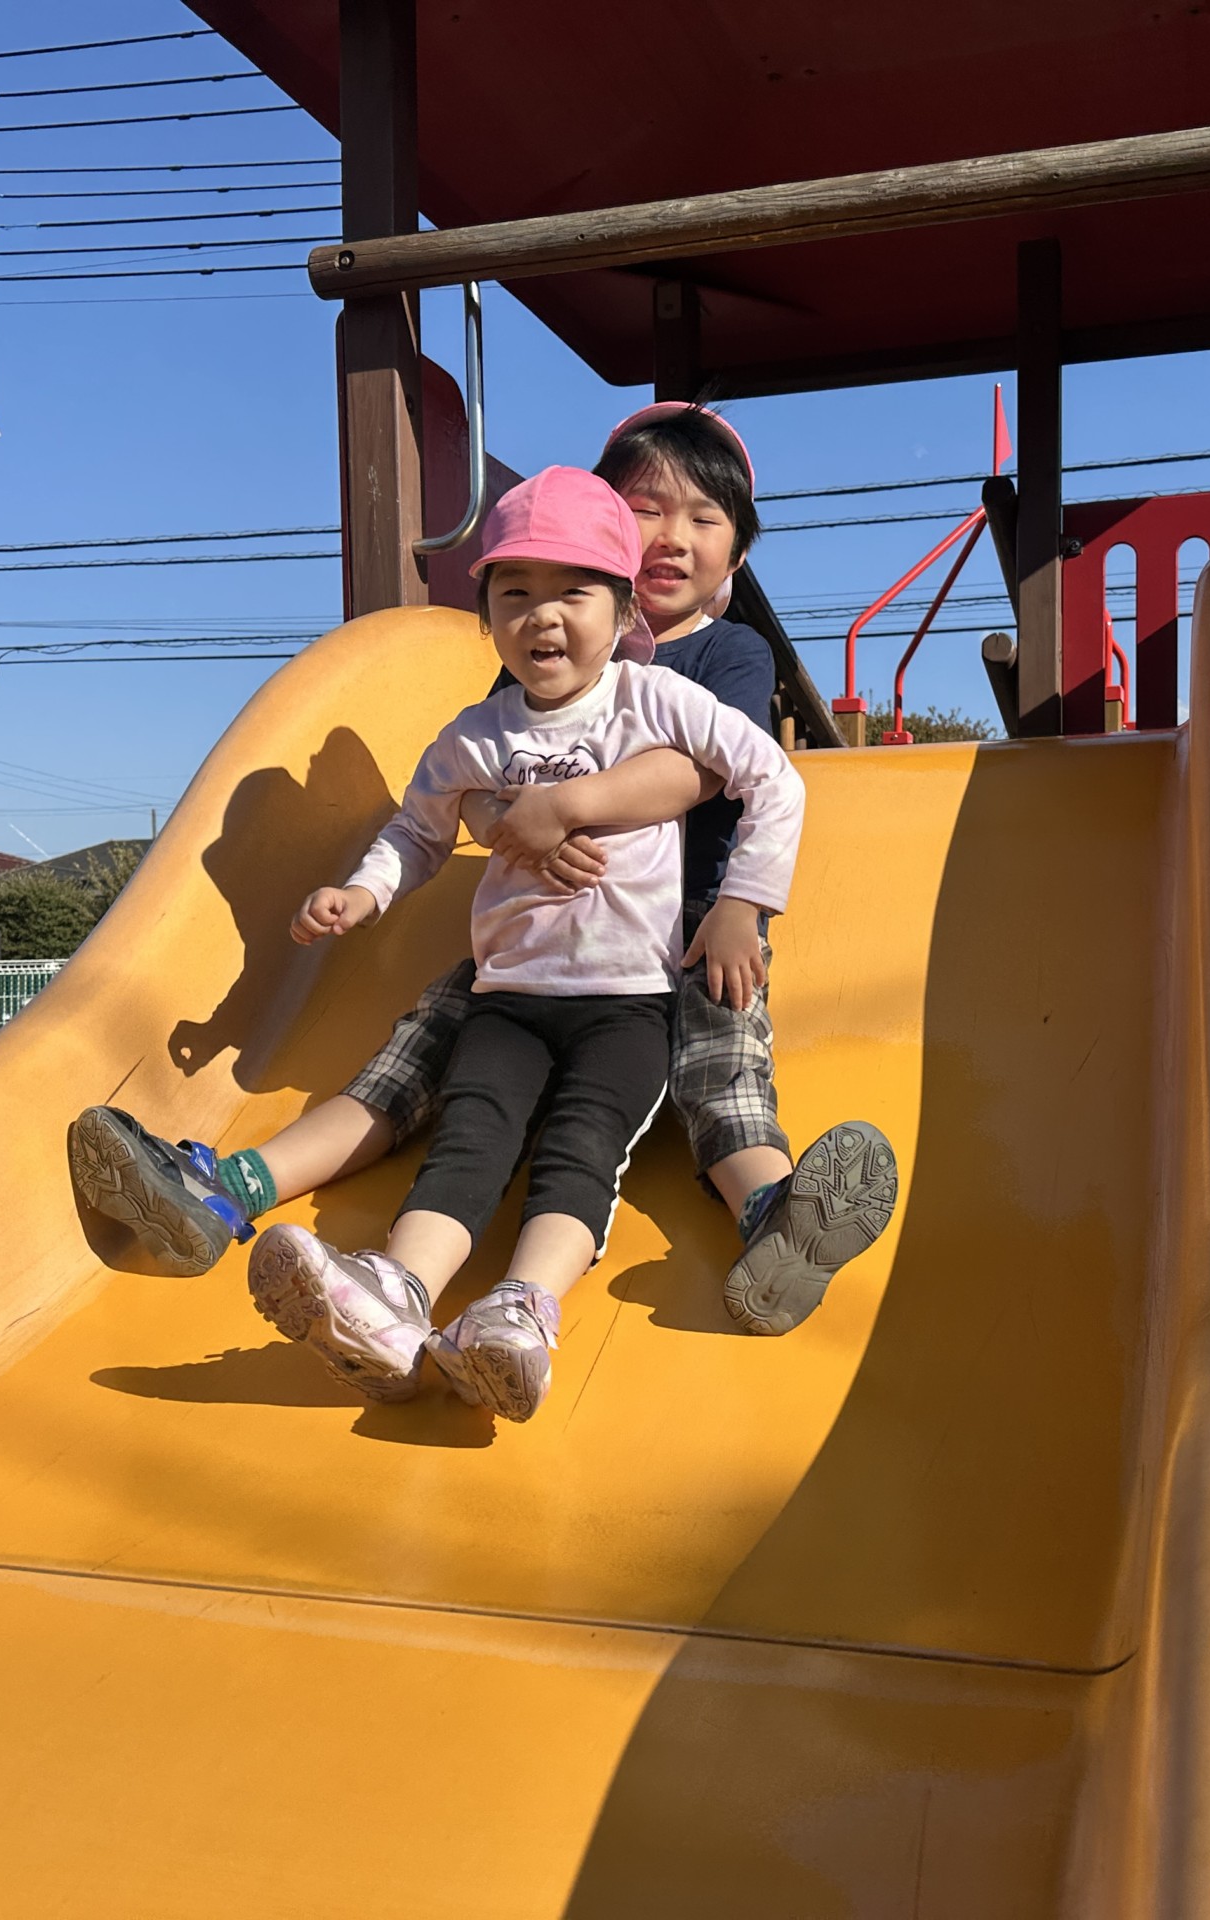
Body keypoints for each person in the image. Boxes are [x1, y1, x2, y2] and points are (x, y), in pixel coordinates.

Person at [69, 405, 896, 1340]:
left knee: (721, 1061)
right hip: (529, 945)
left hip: (694, 921)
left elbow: (706, 773)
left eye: (704, 518)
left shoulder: (719, 656)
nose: (672, 536)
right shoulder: (534, 658)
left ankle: (777, 1216)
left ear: (735, 554)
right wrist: (498, 823)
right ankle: (230, 1187)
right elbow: (474, 783)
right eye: (645, 510)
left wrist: (596, 827)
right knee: (419, 1054)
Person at [250, 466, 802, 1420]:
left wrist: (741, 901)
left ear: (624, 608)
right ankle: (396, 1297)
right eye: (514, 595)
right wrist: (361, 894)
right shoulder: (475, 735)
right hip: (509, 995)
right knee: (470, 1140)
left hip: (628, 1000)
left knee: (582, 1152)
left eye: (573, 592)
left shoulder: (654, 700)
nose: (543, 616)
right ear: (489, 620)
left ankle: (522, 1310)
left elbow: (772, 779)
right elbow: (417, 830)